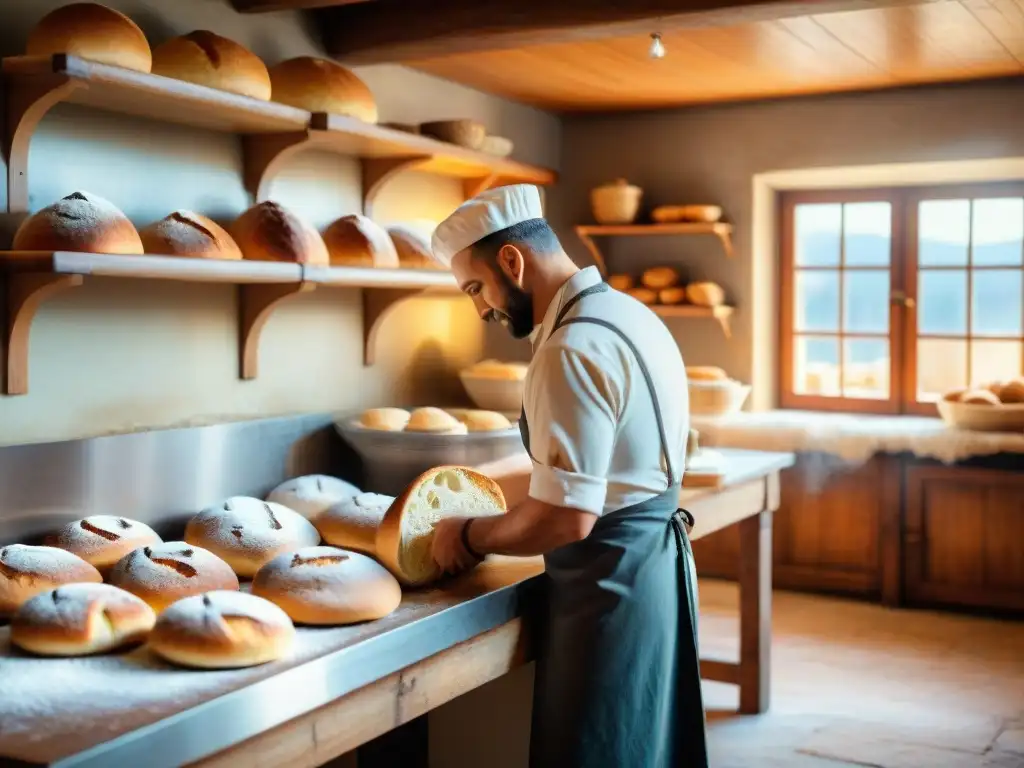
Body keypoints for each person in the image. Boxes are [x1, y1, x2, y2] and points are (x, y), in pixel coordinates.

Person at [428, 184, 708, 768]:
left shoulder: (569, 348)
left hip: (607, 586)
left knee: (597, 747)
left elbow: (565, 517)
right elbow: (589, 469)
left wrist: (469, 535)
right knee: (641, 744)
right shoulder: (628, 313)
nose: (480, 309)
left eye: (475, 288)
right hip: (650, 569)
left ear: (512, 260)